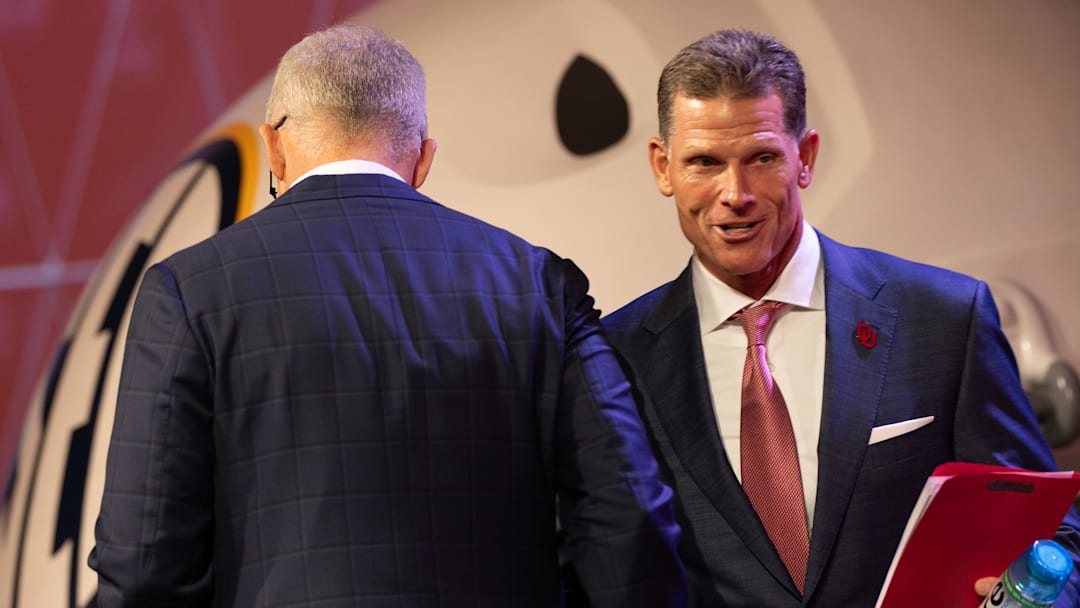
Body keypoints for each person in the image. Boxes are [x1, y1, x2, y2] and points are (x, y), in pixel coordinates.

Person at [89, 23, 686, 608]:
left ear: (272, 144)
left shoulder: (188, 290)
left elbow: (144, 566)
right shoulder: (536, 284)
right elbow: (628, 513)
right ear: (424, 159)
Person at [601, 28, 1080, 607]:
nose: (735, 193)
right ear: (663, 167)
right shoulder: (615, 358)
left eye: (761, 158)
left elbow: (1052, 530)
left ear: (804, 157)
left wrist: (1046, 596)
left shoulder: (945, 317)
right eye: (704, 162)